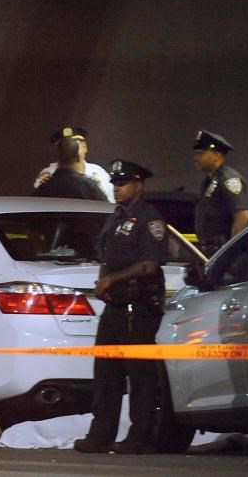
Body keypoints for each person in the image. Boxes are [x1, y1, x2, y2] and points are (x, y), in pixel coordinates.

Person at [74, 159, 168, 454]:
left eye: (122, 183)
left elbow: (150, 265)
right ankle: (100, 435)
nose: (116, 188)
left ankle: (139, 437)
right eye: (114, 183)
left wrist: (112, 279)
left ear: (138, 184)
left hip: (137, 308)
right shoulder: (117, 217)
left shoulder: (149, 219)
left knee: (139, 377)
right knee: (106, 374)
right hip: (115, 308)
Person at [193, 130, 248, 257]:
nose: (196, 158)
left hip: (225, 256)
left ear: (216, 155)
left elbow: (243, 218)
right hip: (211, 253)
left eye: (201, 153)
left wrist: (230, 254)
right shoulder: (209, 182)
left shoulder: (228, 179)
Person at [33, 127, 114, 202]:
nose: (68, 149)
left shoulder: (99, 174)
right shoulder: (47, 174)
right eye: (63, 146)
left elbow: (110, 206)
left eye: (73, 144)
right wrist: (41, 186)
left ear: (84, 147)